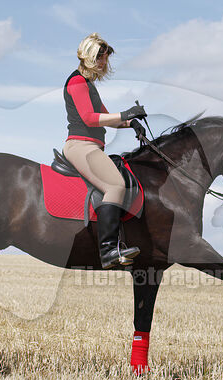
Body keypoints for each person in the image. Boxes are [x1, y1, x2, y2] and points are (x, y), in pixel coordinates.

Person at [63, 32, 146, 269]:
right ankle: (109, 250)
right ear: (89, 56)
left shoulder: (89, 85)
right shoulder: (77, 81)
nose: (104, 62)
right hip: (80, 146)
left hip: (91, 146)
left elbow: (107, 118)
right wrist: (126, 114)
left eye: (105, 57)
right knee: (115, 185)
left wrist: (130, 123)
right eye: (100, 57)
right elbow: (90, 118)